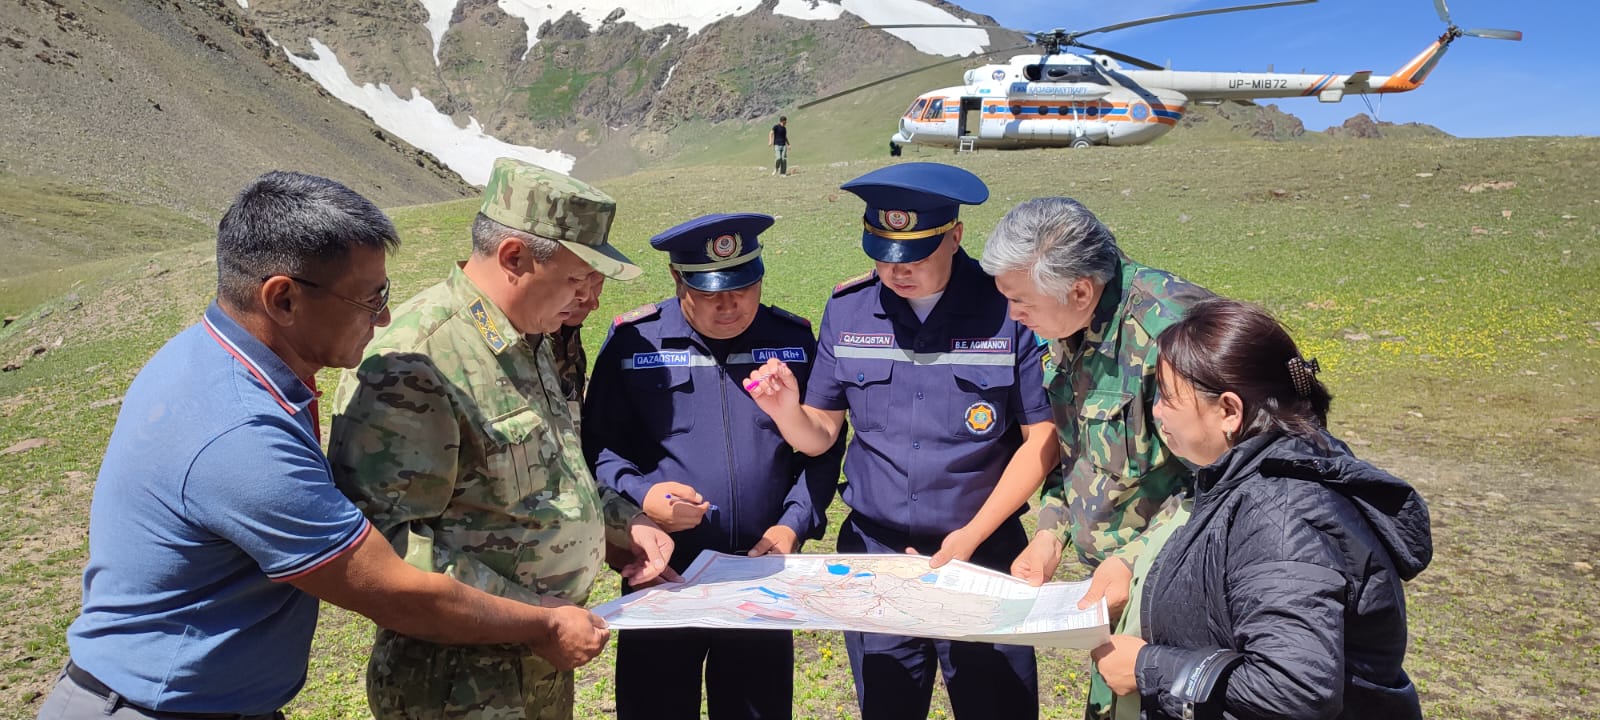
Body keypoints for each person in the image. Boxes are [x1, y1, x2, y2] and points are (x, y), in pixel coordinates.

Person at [37, 172, 619, 720]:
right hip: (156, 707)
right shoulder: (241, 433)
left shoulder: (208, 361)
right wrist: (544, 625)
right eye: (368, 298)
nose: (385, 316)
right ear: (283, 299)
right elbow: (392, 586)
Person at [326, 158, 677, 720]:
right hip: (456, 685)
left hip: (536, 669)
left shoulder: (532, 337)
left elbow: (551, 474)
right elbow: (386, 554)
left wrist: (618, 525)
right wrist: (538, 619)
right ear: (515, 258)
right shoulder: (417, 359)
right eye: (579, 279)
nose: (591, 300)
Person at [745, 162, 1057, 720]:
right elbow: (820, 436)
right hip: (876, 557)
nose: (896, 270)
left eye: (914, 255)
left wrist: (969, 539)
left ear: (956, 236)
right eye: (882, 253)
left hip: (982, 557)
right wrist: (785, 411)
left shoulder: (1006, 308)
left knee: (997, 705)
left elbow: (1042, 439)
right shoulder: (848, 309)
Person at [1091, 298, 1432, 719]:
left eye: (1166, 397)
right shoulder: (1252, 475)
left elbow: (1296, 687)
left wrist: (1148, 668)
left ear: (1229, 411)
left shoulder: (1282, 514)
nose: (1156, 412)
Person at [584, 212, 844, 720]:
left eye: (744, 286)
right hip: (663, 576)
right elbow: (598, 450)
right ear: (678, 280)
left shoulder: (792, 340)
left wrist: (792, 526)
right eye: (710, 292)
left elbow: (823, 449)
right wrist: (642, 499)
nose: (730, 304)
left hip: (760, 576)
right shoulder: (635, 343)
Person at [978, 196, 1213, 716]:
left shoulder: (1176, 336)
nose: (1012, 317)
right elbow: (1078, 454)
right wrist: (1049, 534)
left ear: (1080, 289)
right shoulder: (1068, 325)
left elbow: (1228, 489)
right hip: (1111, 599)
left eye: (1021, 303)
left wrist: (1131, 561)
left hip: (1184, 605)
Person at [548, 273, 604, 431]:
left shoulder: (568, 329)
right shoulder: (524, 338)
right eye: (580, 285)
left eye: (598, 285)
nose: (594, 304)